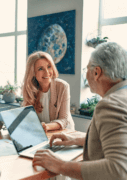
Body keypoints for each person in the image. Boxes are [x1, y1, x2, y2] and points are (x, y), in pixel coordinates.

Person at [33, 42, 127, 180]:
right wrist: (76, 140)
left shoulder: (110, 105)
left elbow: (118, 170)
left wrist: (60, 165)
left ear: (96, 72)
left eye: (86, 69)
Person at [21, 51, 75, 132]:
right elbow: (28, 118)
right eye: (40, 69)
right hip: (43, 134)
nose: (47, 72)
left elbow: (64, 120)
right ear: (33, 73)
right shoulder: (30, 89)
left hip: (64, 134)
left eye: (49, 67)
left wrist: (47, 126)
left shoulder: (63, 86)